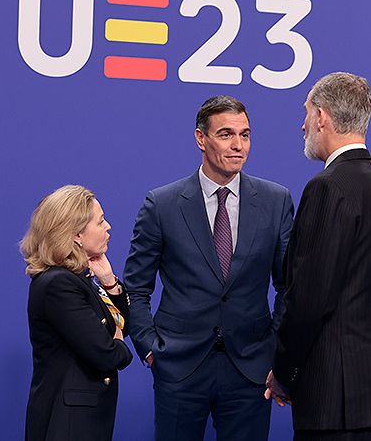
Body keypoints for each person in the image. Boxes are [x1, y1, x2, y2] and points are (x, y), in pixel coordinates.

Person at [123, 96, 294, 441]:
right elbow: (136, 287)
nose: (238, 145)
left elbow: (289, 285)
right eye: (226, 134)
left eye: (245, 135)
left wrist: (273, 346)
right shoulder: (162, 204)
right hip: (180, 367)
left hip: (250, 369)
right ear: (201, 138)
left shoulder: (276, 201)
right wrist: (151, 349)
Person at [266, 72, 371, 441]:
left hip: (335, 401)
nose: (303, 123)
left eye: (307, 112)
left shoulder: (328, 187)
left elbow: (310, 298)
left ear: (323, 117)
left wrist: (283, 371)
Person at [21, 185, 132, 441]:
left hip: (83, 421)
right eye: (100, 221)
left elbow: (123, 327)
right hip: (68, 424)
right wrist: (117, 343)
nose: (109, 227)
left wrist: (109, 283)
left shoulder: (77, 280)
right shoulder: (59, 285)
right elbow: (108, 355)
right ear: (77, 235)